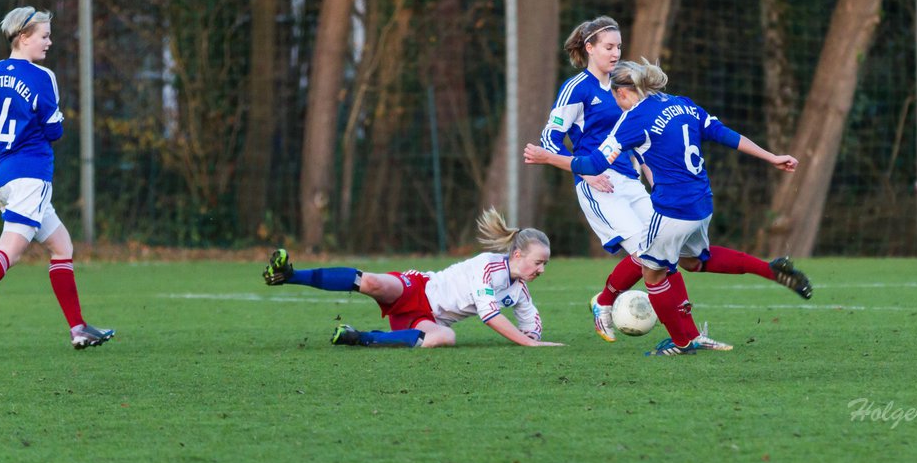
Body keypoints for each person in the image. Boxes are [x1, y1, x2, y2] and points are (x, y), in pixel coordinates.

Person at [540, 18, 811, 343]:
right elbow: (550, 138)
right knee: (649, 252)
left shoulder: (626, 86)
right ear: (589, 48)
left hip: (629, 179)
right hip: (598, 182)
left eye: (619, 47)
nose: (615, 53)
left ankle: (689, 336)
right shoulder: (577, 88)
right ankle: (605, 303)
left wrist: (649, 169)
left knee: (679, 257)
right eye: (609, 47)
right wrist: (585, 173)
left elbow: (637, 136)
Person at [0, 7, 114, 349]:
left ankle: (78, 328)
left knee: (62, 246)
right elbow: (55, 130)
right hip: (31, 175)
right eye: (44, 36)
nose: (49, 42)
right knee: (9, 253)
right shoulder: (42, 77)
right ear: (23, 37)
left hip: (3, 178)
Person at [262, 208, 561, 348]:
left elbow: (531, 321)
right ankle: (289, 274)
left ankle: (358, 337)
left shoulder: (519, 290)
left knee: (445, 338)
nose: (541, 270)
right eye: (539, 262)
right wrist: (527, 343)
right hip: (418, 289)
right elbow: (489, 314)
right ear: (518, 255)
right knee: (373, 283)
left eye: (545, 264)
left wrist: (532, 336)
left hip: (426, 318)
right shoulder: (488, 266)